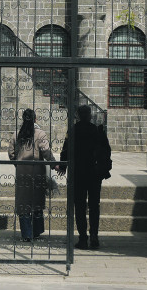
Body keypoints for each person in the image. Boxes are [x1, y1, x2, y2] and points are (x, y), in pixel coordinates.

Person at [57, 104, 113, 250]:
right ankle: (94, 235)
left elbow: (66, 150)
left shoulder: (73, 130)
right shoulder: (96, 130)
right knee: (94, 205)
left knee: (80, 206)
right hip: (94, 173)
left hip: (78, 173)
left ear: (78, 116)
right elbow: (106, 150)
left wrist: (63, 167)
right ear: (89, 115)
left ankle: (83, 238)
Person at [7, 108, 56, 241]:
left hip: (22, 171)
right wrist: (54, 163)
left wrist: (17, 163)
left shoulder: (17, 134)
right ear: (35, 119)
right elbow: (46, 151)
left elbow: (11, 152)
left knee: (24, 203)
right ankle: (36, 231)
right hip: (37, 172)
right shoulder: (40, 134)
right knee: (37, 202)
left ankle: (26, 234)